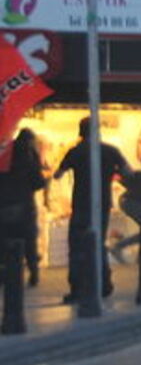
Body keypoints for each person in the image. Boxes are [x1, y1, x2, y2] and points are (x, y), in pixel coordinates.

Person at [54, 118, 132, 303]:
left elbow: (58, 175)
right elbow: (129, 173)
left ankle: (77, 288)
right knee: (97, 243)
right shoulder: (110, 150)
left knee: (76, 246)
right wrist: (112, 172)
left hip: (81, 204)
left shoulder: (74, 151)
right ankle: (104, 284)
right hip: (102, 204)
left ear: (80, 132)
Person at [0, 129, 46, 288]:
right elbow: (38, 182)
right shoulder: (30, 156)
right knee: (29, 242)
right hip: (25, 205)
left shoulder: (5, 153)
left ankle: (5, 274)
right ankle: (33, 273)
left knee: (4, 240)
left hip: (4, 204)